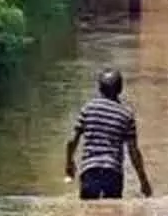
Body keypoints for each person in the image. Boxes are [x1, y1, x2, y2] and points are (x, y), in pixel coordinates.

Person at [65, 68, 153, 200]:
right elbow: (133, 152)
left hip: (90, 170)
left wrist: (69, 163)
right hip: (113, 173)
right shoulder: (126, 114)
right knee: (112, 215)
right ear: (120, 89)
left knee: (88, 213)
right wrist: (143, 181)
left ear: (99, 88)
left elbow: (72, 141)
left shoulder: (88, 108)